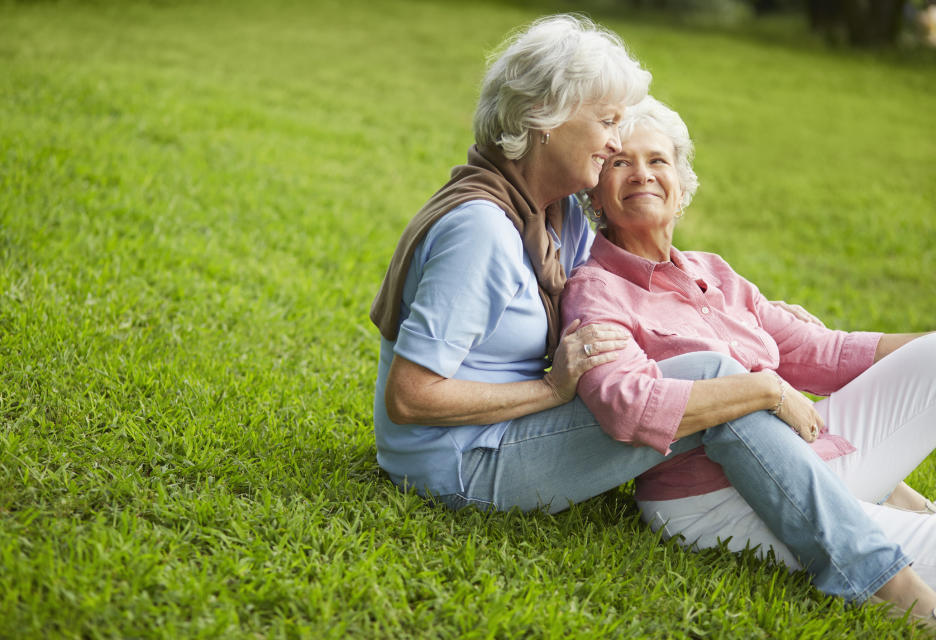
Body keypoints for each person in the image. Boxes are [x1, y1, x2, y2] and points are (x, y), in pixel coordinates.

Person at [370, 13, 916, 617]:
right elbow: (411, 399)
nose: (612, 144)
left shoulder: (557, 217)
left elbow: (633, 294)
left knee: (708, 368)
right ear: (545, 119)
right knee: (710, 375)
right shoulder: (482, 231)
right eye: (605, 123)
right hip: (461, 462)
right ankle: (880, 580)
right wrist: (551, 390)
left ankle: (875, 501)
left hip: (501, 435)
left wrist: (754, 320)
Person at [561, 95, 936, 625]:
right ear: (596, 193)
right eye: (622, 162)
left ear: (682, 184)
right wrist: (767, 389)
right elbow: (624, 405)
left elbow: (821, 353)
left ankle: (887, 502)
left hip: (808, 458)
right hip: (716, 498)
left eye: (657, 160)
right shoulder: (597, 291)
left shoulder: (714, 272)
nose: (641, 174)